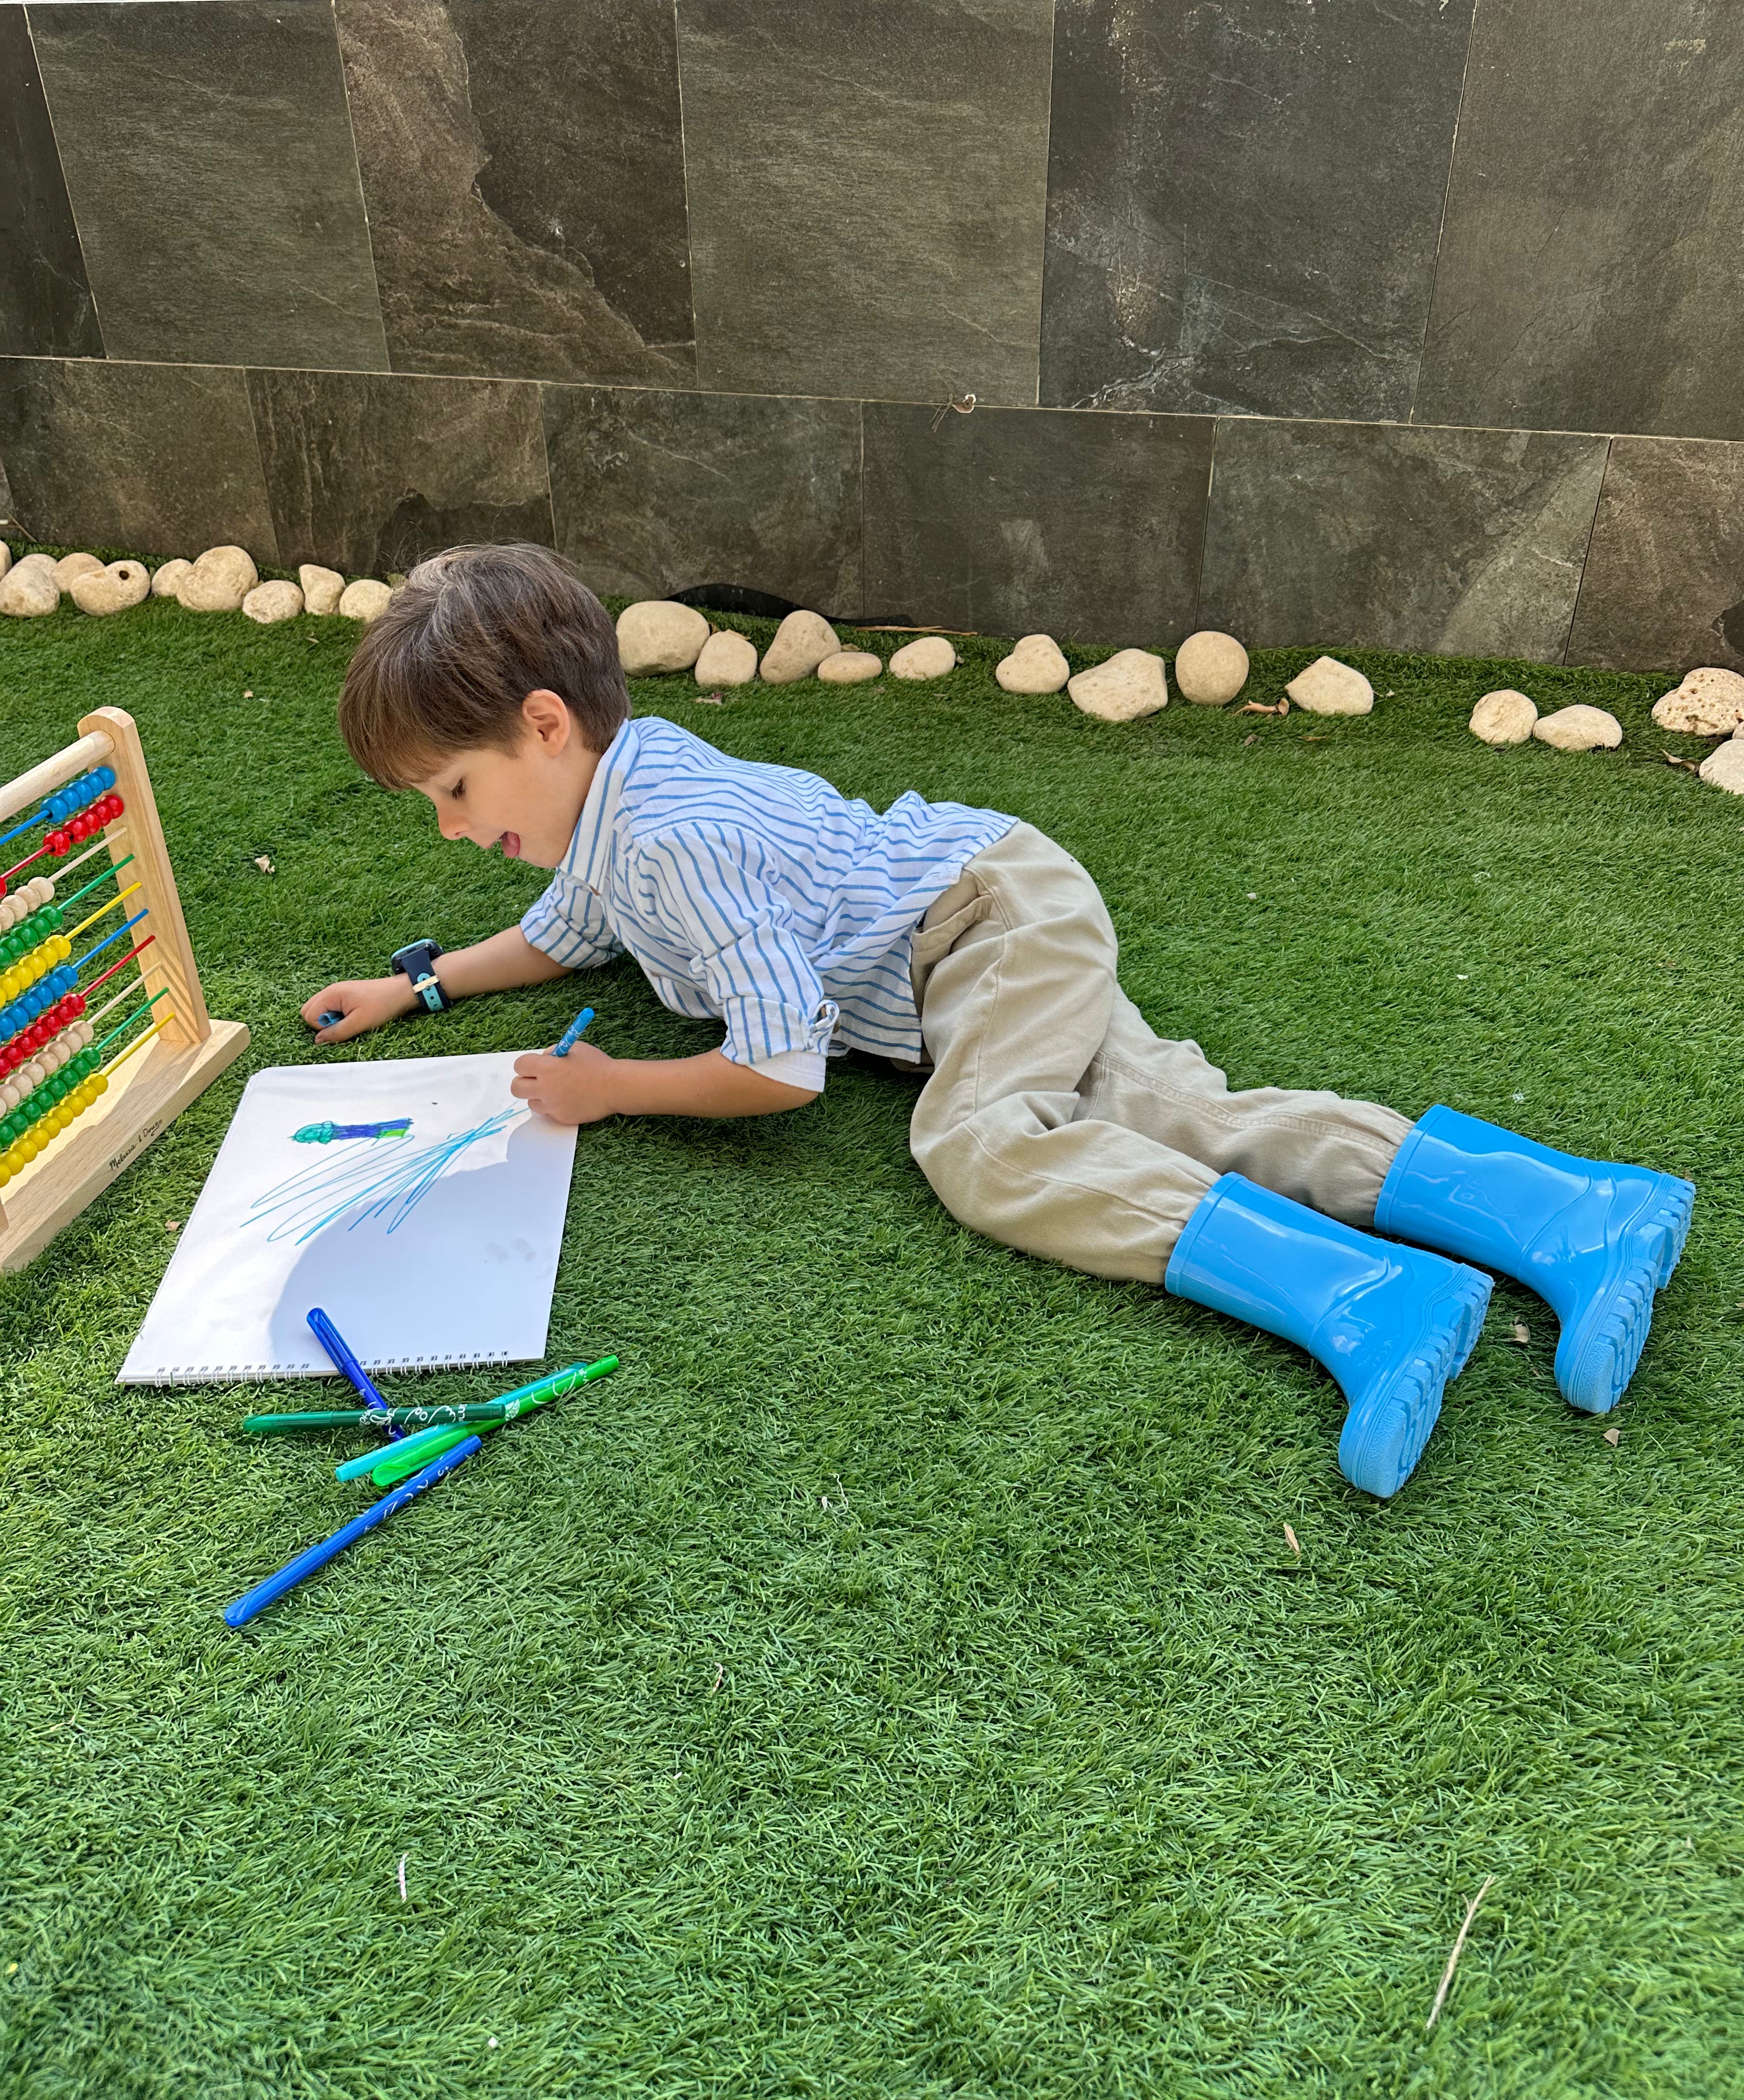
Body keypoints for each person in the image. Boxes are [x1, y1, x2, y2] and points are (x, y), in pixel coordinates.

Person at [304, 544, 1695, 1499]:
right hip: (978, 925)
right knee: (1177, 1115)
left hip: (980, 924)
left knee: (978, 1148)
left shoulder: (675, 838)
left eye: (455, 790)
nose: (454, 827)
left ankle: (1376, 1297)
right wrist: (419, 987)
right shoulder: (609, 819)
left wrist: (612, 1090)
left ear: (547, 727)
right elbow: (568, 931)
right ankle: (1575, 1211)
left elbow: (776, 1073)